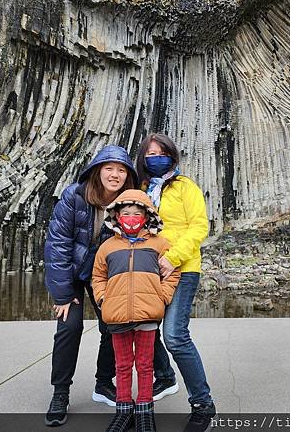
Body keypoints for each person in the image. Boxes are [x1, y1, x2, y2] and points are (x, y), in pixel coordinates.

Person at [43, 145, 138, 427]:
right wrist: (61, 295)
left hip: (103, 275)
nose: (115, 174)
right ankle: (60, 392)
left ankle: (103, 382)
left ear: (128, 176)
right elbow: (57, 245)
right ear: (97, 171)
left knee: (112, 325)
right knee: (69, 327)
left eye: (121, 170)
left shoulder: (128, 203)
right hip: (71, 274)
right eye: (109, 168)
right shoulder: (74, 196)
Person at [136, 133, 216, 432]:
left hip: (182, 269)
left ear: (172, 155)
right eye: (150, 153)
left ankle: (203, 403)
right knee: (144, 326)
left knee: (175, 336)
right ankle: (165, 377)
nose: (156, 157)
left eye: (162, 152)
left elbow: (199, 227)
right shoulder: (142, 190)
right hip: (148, 271)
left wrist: (174, 257)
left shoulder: (185, 187)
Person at [92, 189, 180, 432]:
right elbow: (98, 276)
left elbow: (173, 273)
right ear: (117, 217)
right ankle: (123, 410)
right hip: (117, 315)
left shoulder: (159, 243)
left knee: (144, 364)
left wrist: (161, 298)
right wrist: (102, 299)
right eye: (126, 213)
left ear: (147, 216)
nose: (131, 218)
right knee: (122, 365)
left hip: (148, 316)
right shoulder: (107, 247)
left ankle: (144, 409)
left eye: (137, 214)